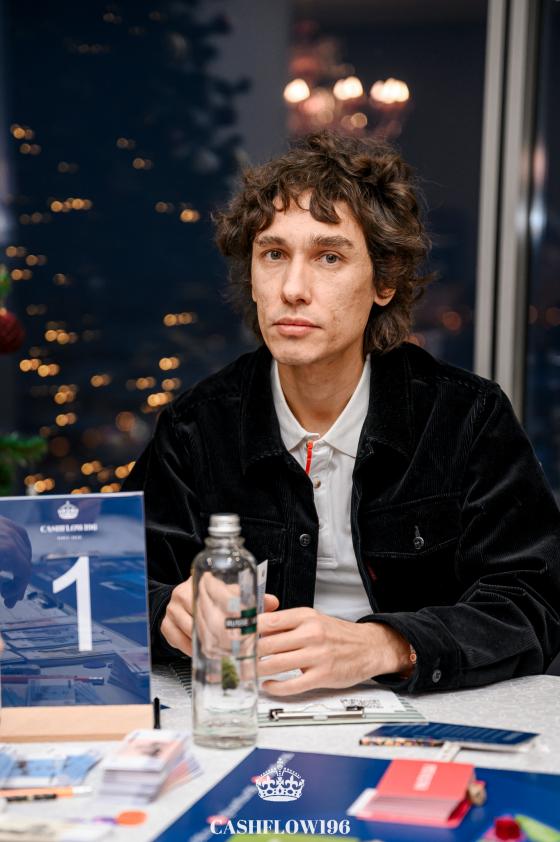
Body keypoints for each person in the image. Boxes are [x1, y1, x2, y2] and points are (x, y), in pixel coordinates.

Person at [126, 130, 560, 695]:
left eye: (328, 257)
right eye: (273, 254)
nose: (292, 288)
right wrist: (166, 611)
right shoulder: (196, 426)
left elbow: (535, 601)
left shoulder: (465, 418)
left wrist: (387, 645)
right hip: (244, 712)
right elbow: (116, 582)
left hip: (429, 711)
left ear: (385, 281)